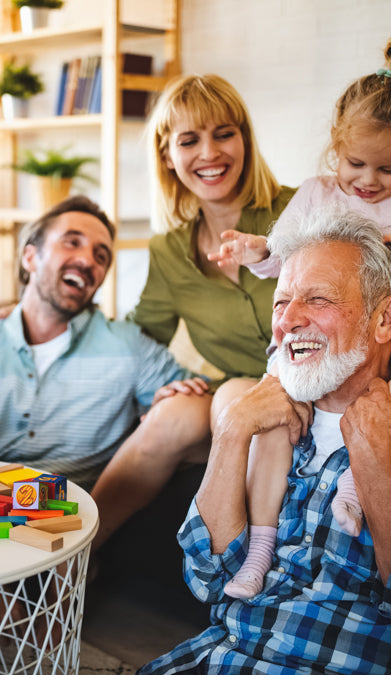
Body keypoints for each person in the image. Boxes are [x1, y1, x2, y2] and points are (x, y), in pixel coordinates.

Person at [115, 205, 391, 675]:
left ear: (386, 318)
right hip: (224, 666)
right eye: (282, 302)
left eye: (318, 299)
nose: (290, 320)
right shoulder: (273, 413)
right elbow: (208, 578)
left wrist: (373, 463)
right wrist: (234, 428)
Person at [209, 34, 391, 598]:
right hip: (312, 344)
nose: (368, 181)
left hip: (385, 336)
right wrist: (254, 251)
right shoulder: (318, 193)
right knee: (274, 425)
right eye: (356, 163)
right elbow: (279, 253)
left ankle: (358, 474)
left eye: (387, 169)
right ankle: (260, 550)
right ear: (334, 150)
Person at [90, 73, 296, 552]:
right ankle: (74, 560)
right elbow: (137, 336)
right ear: (168, 155)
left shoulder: (301, 209)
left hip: (311, 390)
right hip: (236, 399)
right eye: (190, 140)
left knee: (234, 408)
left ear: (244, 138)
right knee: (171, 414)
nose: (210, 153)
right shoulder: (169, 251)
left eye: (224, 133)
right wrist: (42, 314)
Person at [0, 195, 206, 493]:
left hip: (76, 524)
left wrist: (176, 400)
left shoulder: (129, 345)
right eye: (72, 242)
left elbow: (203, 420)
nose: (87, 261)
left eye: (101, 256)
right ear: (29, 257)